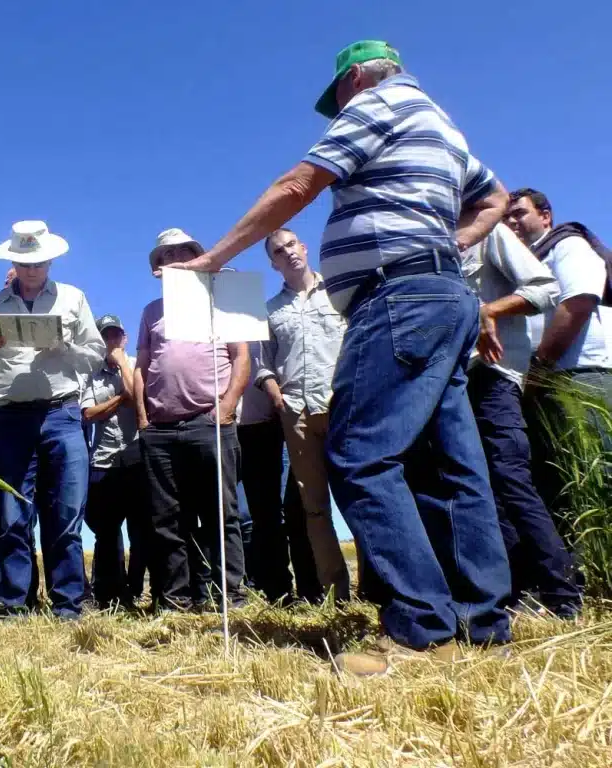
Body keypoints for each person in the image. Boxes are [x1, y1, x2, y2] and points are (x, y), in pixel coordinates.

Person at [172, 41, 512, 673]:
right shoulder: (445, 127)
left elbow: (300, 183)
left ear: (356, 77)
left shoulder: (376, 104)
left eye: (339, 98)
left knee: (359, 450)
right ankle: (482, 620)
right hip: (444, 294)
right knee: (448, 461)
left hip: (398, 296)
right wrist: (448, 242)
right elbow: (495, 198)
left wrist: (215, 259)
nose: (339, 112)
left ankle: (419, 627)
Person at [0, 220, 105, 619]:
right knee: (10, 513)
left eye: (38, 261)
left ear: (50, 260)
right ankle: (13, 604)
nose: (31, 269)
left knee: (65, 511)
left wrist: (67, 347)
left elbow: (95, 356)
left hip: (62, 413)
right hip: (9, 419)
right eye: (24, 262)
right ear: (13, 261)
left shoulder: (74, 299)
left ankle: (68, 606)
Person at [458, 222, 580, 618]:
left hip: (494, 375)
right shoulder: (436, 238)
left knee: (511, 480)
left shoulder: (489, 233)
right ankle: (516, 593)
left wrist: (488, 311)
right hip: (454, 381)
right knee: (484, 489)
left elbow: (545, 288)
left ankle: (563, 595)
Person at [135, 228, 250, 612]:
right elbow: (142, 366)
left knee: (221, 514)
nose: (175, 260)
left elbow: (241, 356)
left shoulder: (222, 298)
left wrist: (229, 402)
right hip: (162, 428)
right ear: (157, 268)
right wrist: (142, 418)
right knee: (167, 519)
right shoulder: (151, 312)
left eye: (183, 252)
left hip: (210, 420)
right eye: (167, 256)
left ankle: (228, 595)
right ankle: (175, 599)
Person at [506, 188, 612, 574]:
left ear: (545, 215)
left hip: (579, 372)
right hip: (547, 380)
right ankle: (580, 571)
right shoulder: (525, 263)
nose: (511, 223)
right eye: (506, 218)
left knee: (593, 469)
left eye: (519, 213)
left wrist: (539, 367)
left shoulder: (567, 244)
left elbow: (579, 301)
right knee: (560, 474)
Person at [255, 229, 350, 602]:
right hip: (296, 411)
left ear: (304, 248)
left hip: (343, 406)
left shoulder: (339, 292)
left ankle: (381, 589)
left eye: (291, 245)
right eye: (278, 251)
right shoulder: (269, 310)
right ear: (273, 263)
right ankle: (335, 596)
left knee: (363, 496)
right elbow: (263, 363)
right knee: (314, 508)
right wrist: (273, 390)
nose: (287, 253)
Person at [236, 343, 321, 604]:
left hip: (272, 425)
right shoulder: (208, 331)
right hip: (232, 429)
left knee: (286, 512)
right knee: (251, 516)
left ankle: (307, 589)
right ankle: (273, 588)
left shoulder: (259, 324)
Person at [80, 314, 148, 609]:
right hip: (104, 461)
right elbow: (88, 414)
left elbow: (139, 397)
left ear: (125, 338)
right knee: (105, 533)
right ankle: (109, 593)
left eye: (116, 335)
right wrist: (120, 400)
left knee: (142, 530)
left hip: (136, 459)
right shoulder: (89, 374)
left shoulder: (135, 366)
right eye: (105, 336)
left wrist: (123, 365)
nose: (111, 341)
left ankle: (135, 589)